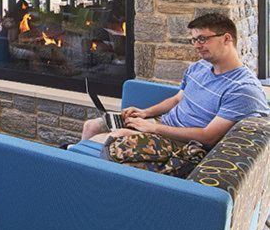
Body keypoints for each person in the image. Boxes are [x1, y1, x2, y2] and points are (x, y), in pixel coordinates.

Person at [82, 13, 270, 148]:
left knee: (115, 136)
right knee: (91, 125)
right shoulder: (199, 67)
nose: (197, 45)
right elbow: (177, 99)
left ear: (227, 38)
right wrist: (144, 113)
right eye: (194, 40)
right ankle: (73, 163)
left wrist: (152, 128)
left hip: (183, 142)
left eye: (203, 39)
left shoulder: (242, 90)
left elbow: (208, 137)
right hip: (163, 124)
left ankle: (75, 168)